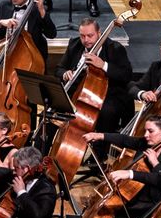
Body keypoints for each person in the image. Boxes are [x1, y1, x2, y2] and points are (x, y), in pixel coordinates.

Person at [56, 17, 134, 154]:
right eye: (82, 36)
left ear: (99, 33)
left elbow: (126, 75)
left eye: (90, 35)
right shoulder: (74, 44)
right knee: (54, 110)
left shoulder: (115, 48)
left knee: (106, 113)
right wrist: (65, 73)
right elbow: (59, 69)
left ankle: (99, 154)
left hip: (108, 94)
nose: (86, 40)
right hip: (79, 93)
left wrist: (103, 65)